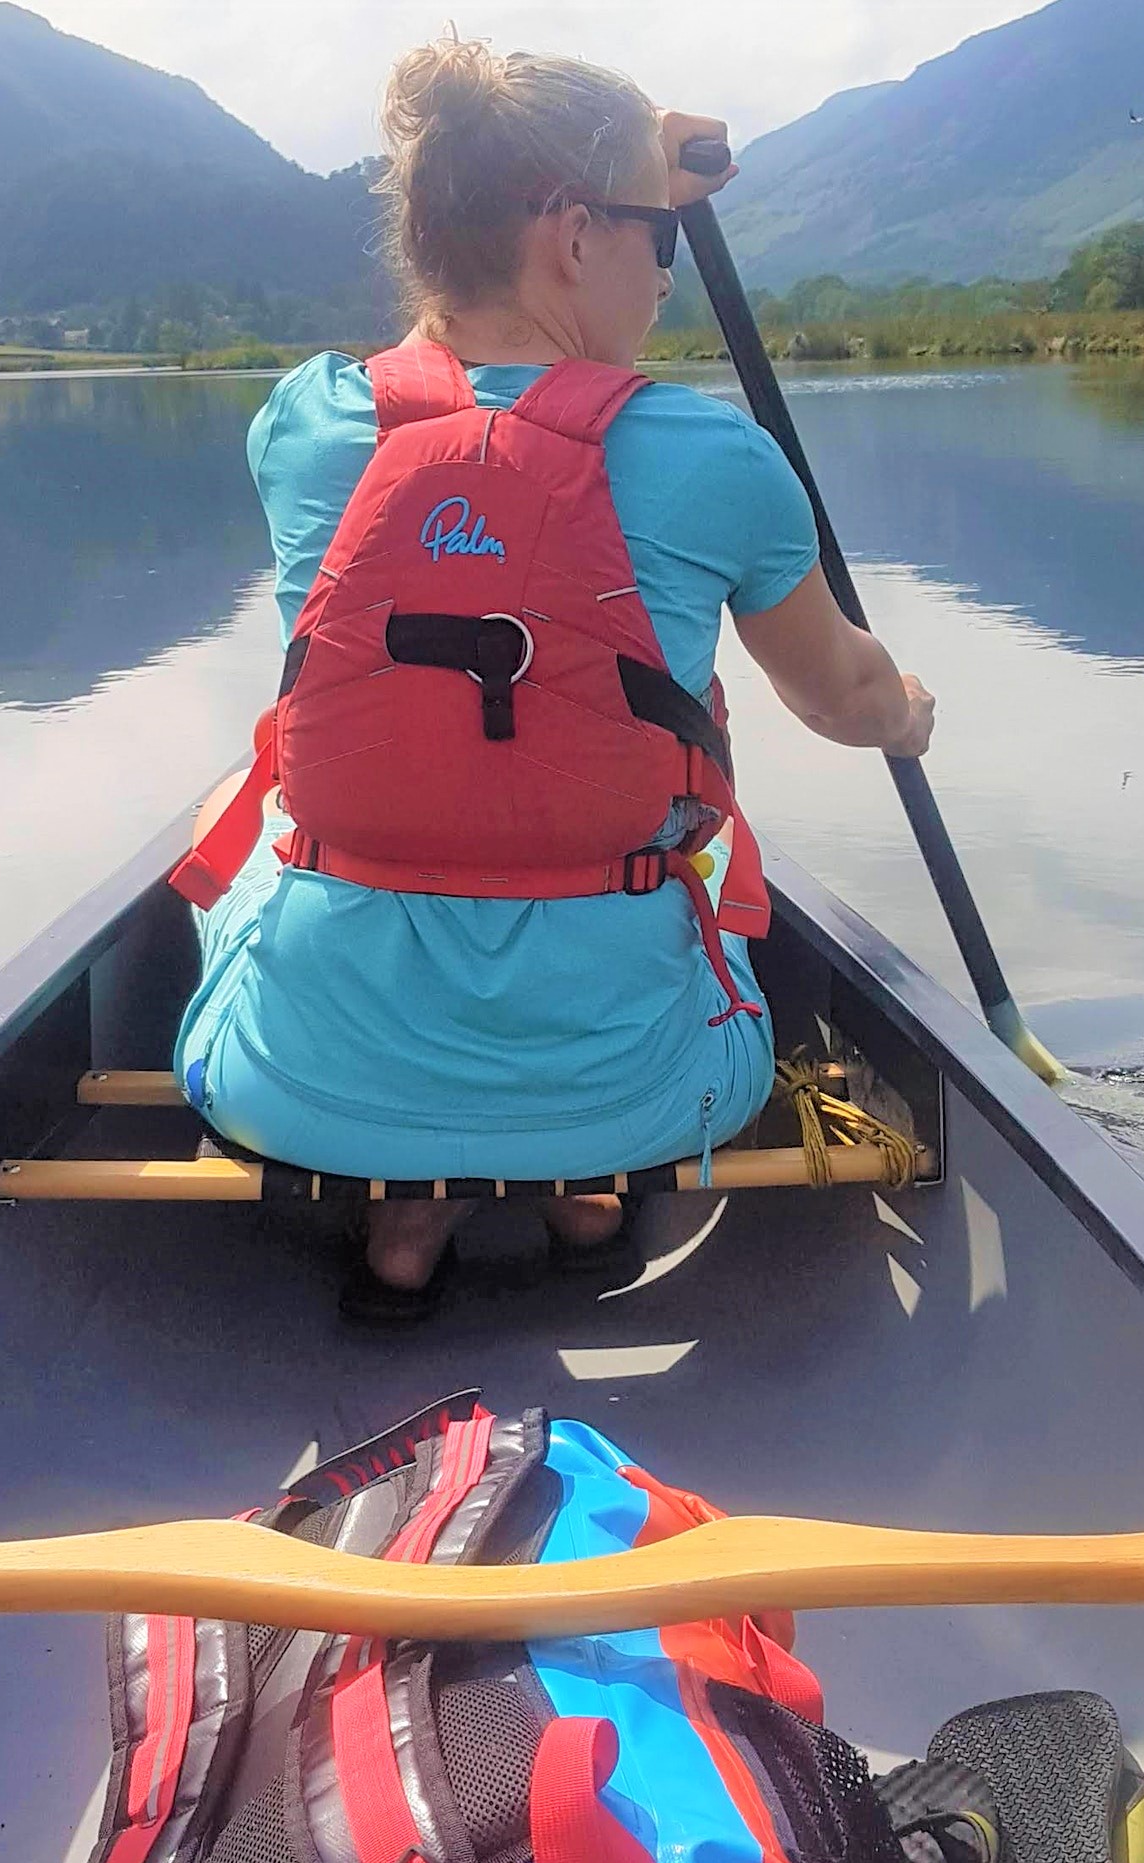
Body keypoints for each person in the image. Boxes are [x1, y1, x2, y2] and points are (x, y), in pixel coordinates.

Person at [173, 35, 935, 1316]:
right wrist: (907, 716)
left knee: (235, 812)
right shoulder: (715, 460)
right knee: (706, 838)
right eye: (660, 242)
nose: (668, 282)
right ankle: (590, 1193)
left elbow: (439, 396)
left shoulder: (302, 424)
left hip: (302, 1085)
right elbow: (844, 700)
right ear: (576, 239)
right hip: (651, 1092)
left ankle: (404, 1216)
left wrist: (620, 185)